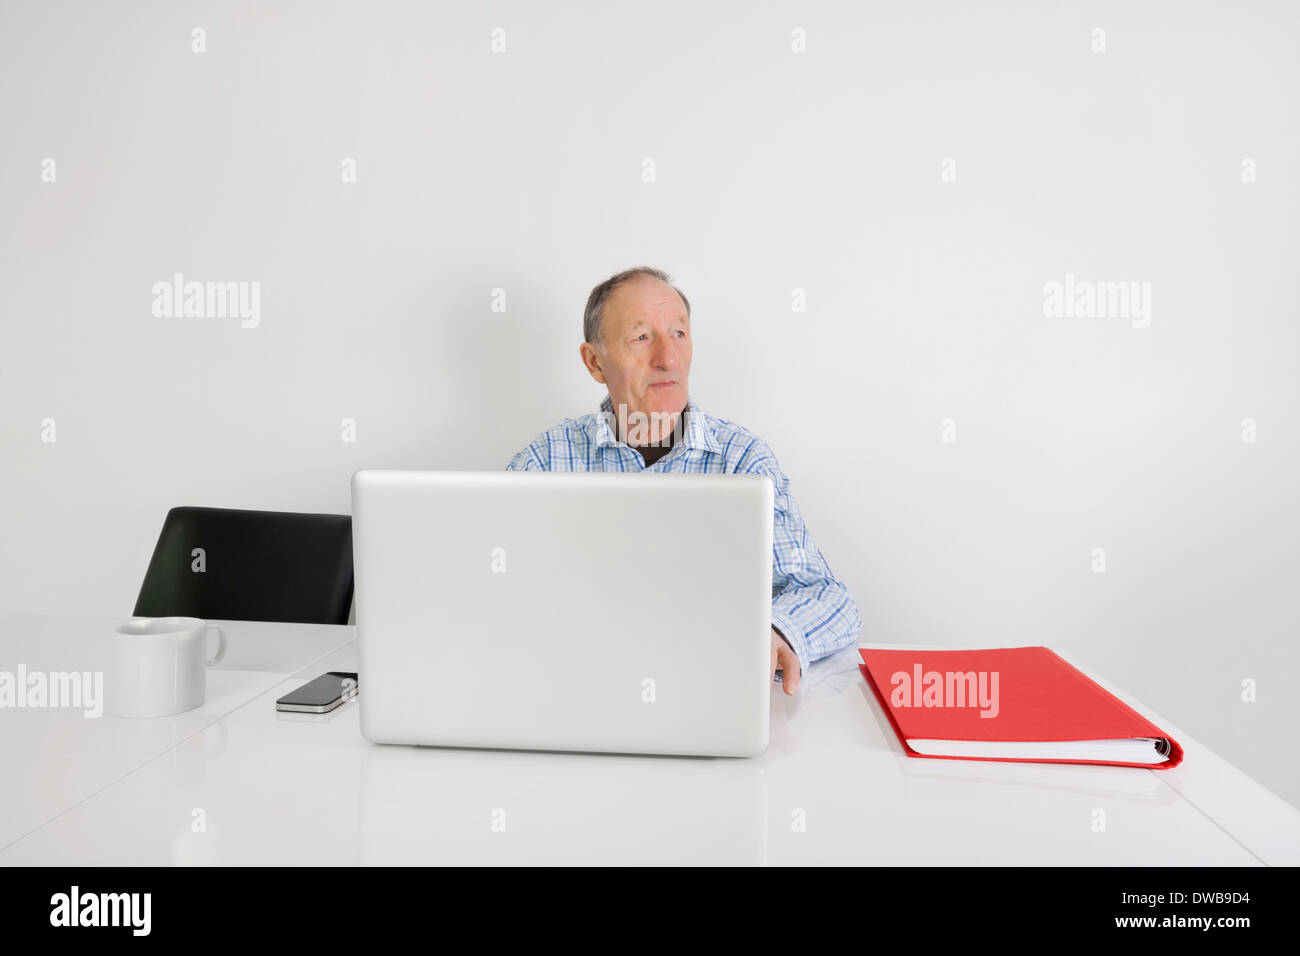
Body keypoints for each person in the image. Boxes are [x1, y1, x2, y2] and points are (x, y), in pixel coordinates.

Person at [506, 266, 862, 694]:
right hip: (577, 689)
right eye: (641, 338)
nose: (668, 359)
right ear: (595, 362)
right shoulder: (544, 462)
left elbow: (828, 597)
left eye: (678, 334)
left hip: (706, 692)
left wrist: (777, 632)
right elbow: (495, 591)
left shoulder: (742, 460)